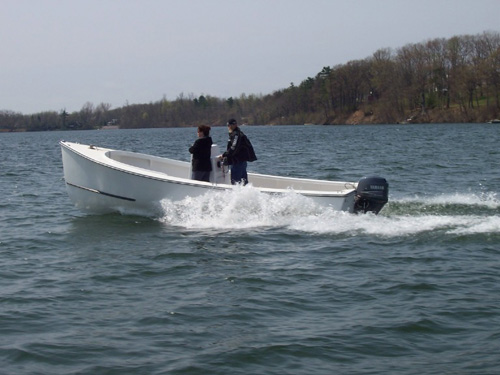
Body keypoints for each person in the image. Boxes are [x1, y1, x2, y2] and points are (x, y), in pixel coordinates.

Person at [221, 118, 257, 185]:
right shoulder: (238, 133)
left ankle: (238, 194)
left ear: (233, 125)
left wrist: (224, 155)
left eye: (229, 125)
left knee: (236, 182)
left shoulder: (236, 135)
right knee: (244, 182)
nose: (228, 127)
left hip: (237, 162)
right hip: (241, 161)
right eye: (228, 125)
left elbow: (233, 147)